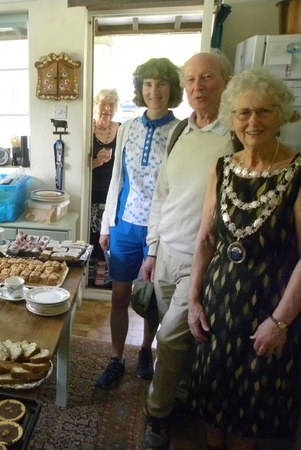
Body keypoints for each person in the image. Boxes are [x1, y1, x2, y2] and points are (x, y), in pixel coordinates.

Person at [187, 69, 301, 450]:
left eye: (264, 112)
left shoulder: (298, 172)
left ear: (281, 115)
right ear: (231, 119)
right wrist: (193, 300)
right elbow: (205, 239)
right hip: (217, 309)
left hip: (268, 311)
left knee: (248, 415)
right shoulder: (221, 169)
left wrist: (280, 323)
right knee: (212, 401)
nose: (253, 122)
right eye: (243, 113)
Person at [140, 51, 234, 450]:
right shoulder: (180, 132)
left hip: (205, 259)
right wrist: (152, 249)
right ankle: (181, 394)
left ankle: (157, 415)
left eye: (207, 77)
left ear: (225, 82)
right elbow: (162, 196)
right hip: (167, 253)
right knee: (182, 337)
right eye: (191, 79)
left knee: (173, 336)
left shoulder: (236, 133)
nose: (197, 87)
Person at [96, 58, 183, 389]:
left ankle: (145, 350)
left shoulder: (180, 130)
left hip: (160, 230)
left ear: (172, 89)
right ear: (140, 88)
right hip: (124, 226)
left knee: (151, 299)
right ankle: (116, 357)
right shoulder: (128, 127)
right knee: (119, 297)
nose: (154, 90)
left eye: (161, 83)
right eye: (148, 83)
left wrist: (160, 239)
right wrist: (106, 225)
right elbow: (117, 177)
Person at [89, 88, 120, 288]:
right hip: (92, 193)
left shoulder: (122, 129)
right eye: (103, 104)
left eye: (111, 105)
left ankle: (108, 279)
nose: (107, 109)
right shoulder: (87, 129)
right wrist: (96, 162)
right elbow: (78, 167)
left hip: (114, 194)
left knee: (110, 237)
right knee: (93, 235)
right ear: (95, 106)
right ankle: (91, 279)